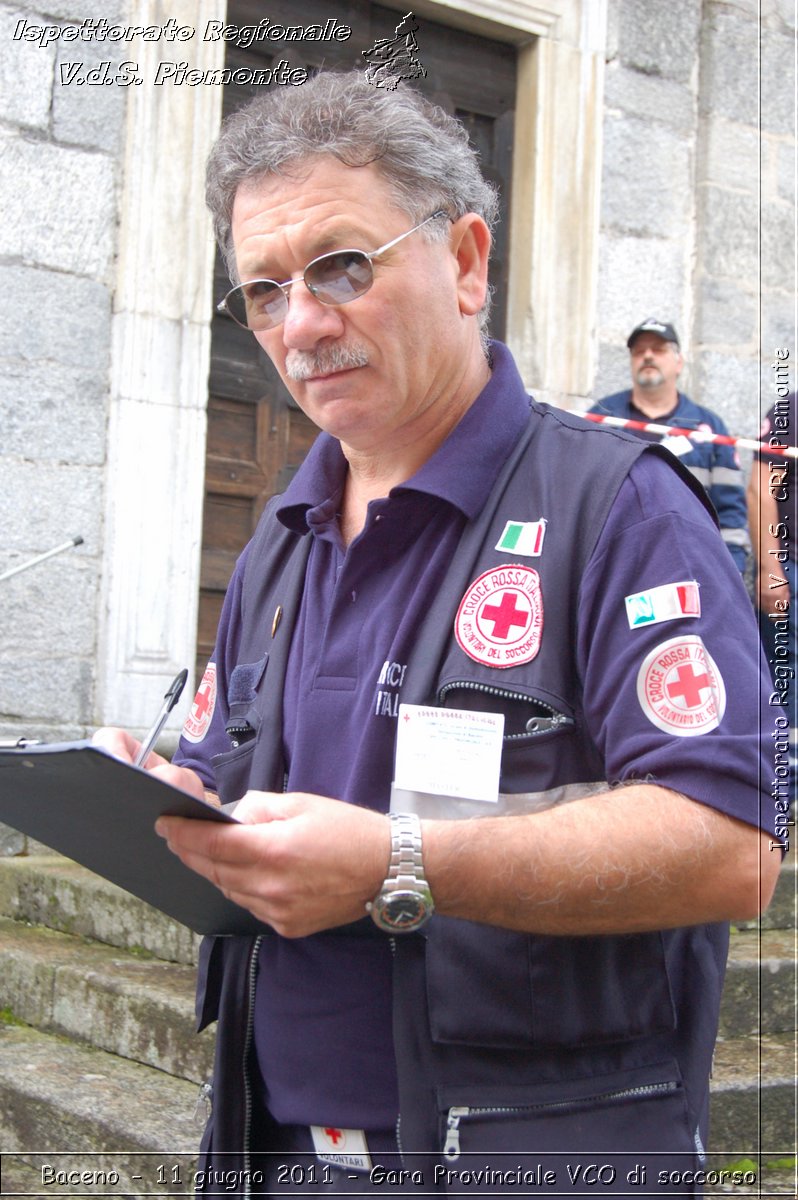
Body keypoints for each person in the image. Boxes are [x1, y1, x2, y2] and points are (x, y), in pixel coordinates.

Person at [95, 72, 779, 1196]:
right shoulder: (282, 534)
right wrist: (159, 791)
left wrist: (396, 864)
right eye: (262, 292)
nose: (301, 324)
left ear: (467, 261)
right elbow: (238, 777)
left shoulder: (620, 511)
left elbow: (736, 841)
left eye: (342, 266)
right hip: (278, 1160)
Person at [591, 322, 750, 573]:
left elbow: (730, 508)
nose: (648, 355)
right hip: (613, 565)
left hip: (689, 564)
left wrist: (733, 569)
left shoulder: (708, 426)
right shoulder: (600, 419)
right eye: (639, 350)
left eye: (659, 349)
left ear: (679, 362)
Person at [748, 392, 796, 822]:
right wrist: (770, 566)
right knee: (785, 713)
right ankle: (772, 828)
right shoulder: (793, 408)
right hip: (794, 577)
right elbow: (763, 484)